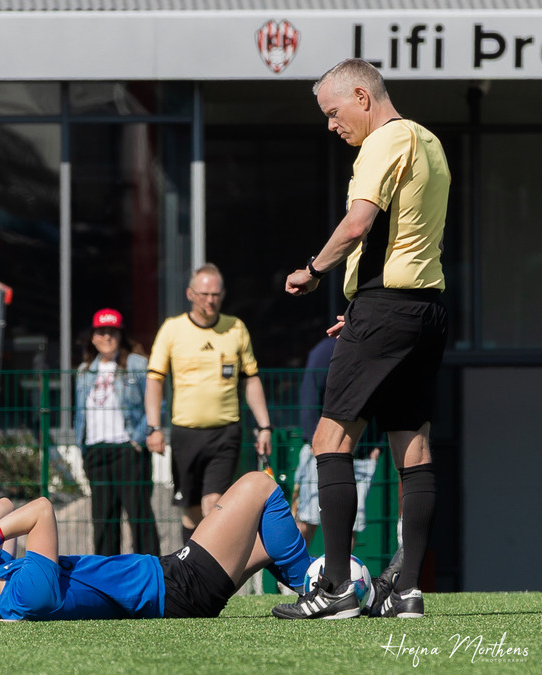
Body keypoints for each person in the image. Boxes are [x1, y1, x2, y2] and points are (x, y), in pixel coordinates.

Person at [275, 58, 449, 620]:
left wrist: (313, 271)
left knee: (329, 440)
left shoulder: (382, 141)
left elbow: (358, 224)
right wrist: (364, 307)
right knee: (413, 447)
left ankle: (335, 590)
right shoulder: (431, 143)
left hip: (385, 311)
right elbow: (409, 239)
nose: (331, 125)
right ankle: (408, 593)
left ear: (362, 96)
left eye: (333, 112)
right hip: (425, 310)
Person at [0, 470, 312, 622]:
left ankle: (328, 585)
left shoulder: (2, 577)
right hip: (178, 587)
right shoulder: (26, 595)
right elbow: (40, 510)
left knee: (267, 538)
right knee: (258, 486)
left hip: (171, 583)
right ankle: (315, 590)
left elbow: (5, 506)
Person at [145, 263, 273, 544]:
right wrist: (153, 427)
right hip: (186, 433)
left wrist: (265, 426)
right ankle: (190, 564)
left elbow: (251, 379)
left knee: (214, 504)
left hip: (225, 432)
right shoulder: (172, 329)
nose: (210, 300)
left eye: (215, 294)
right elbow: (154, 380)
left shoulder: (235, 328)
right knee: (191, 511)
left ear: (223, 294)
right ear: (190, 294)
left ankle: (214, 564)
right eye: (204, 294)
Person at [74, 308, 160, 557]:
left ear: (121, 335)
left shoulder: (137, 364)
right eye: (101, 332)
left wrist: (139, 438)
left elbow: (157, 402)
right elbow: (79, 413)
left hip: (127, 448)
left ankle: (150, 568)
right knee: (103, 520)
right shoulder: (84, 371)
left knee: (139, 515)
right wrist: (83, 446)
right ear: (93, 337)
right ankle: (107, 572)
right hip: (96, 449)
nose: (107, 337)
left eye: (112, 332)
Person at [292, 335, 380, 549]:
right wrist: (314, 441)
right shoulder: (325, 352)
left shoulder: (377, 349)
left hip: (360, 455)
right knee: (307, 518)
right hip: (321, 452)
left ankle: (343, 570)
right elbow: (309, 396)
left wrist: (376, 444)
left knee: (349, 523)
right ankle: (293, 570)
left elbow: (382, 398)